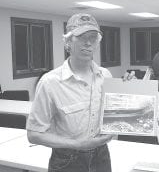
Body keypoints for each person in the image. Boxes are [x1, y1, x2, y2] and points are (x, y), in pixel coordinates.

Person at [27, 13, 116, 172]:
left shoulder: (106, 76)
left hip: (102, 156)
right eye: (81, 37)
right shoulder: (50, 82)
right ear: (68, 42)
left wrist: (131, 88)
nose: (88, 43)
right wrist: (77, 144)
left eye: (93, 37)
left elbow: (118, 114)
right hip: (67, 160)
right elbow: (34, 134)